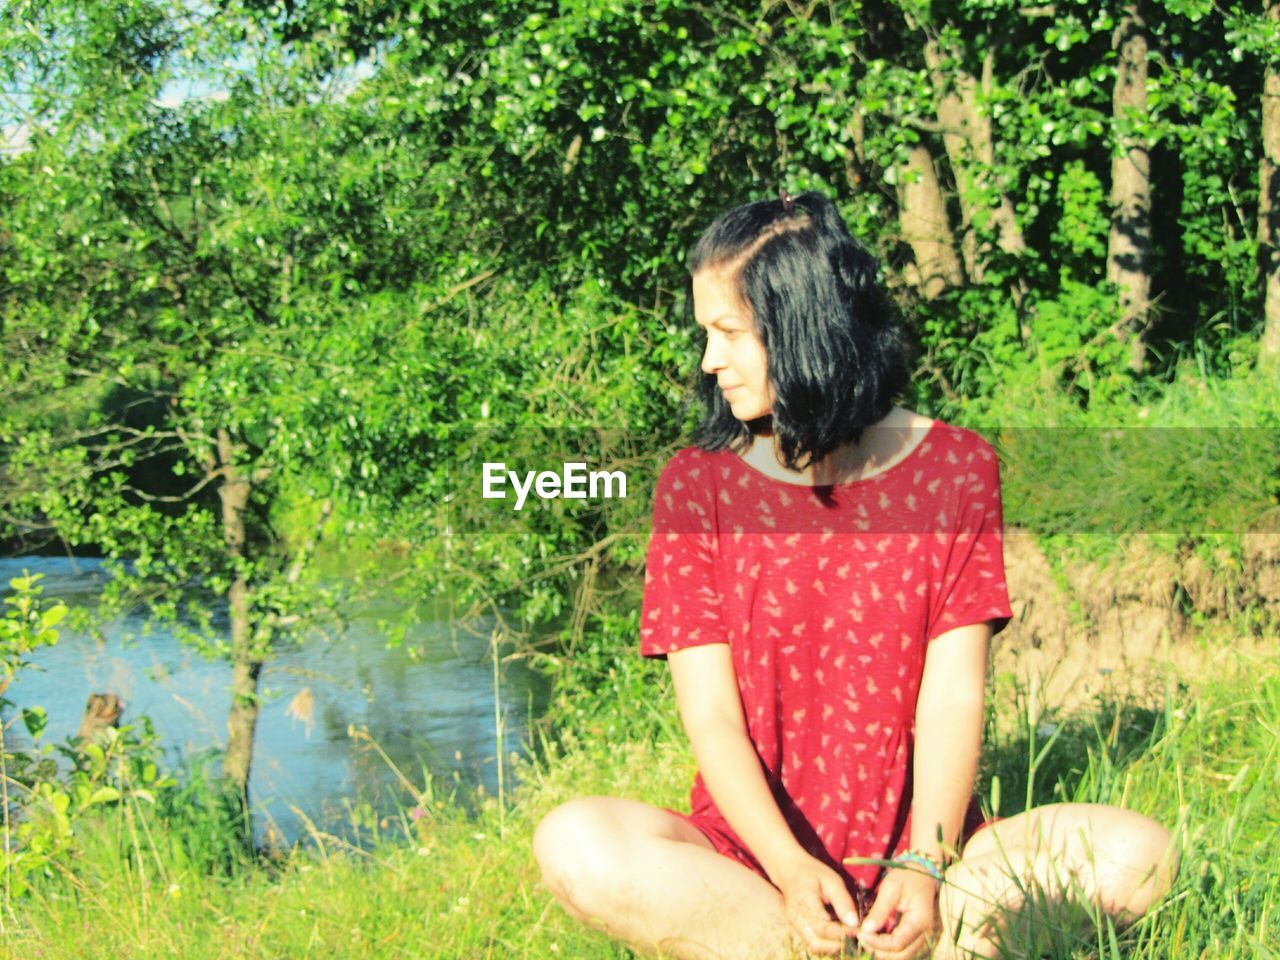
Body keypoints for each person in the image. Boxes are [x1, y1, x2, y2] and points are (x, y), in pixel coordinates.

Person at [533, 192, 1177, 959]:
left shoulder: (956, 470)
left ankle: (933, 938)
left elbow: (953, 694)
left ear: (801, 326)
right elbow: (711, 717)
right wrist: (790, 869)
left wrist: (926, 861)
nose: (709, 361)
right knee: (575, 841)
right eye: (706, 333)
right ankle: (802, 946)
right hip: (753, 865)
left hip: (934, 863)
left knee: (1140, 854)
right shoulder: (695, 486)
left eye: (729, 333)